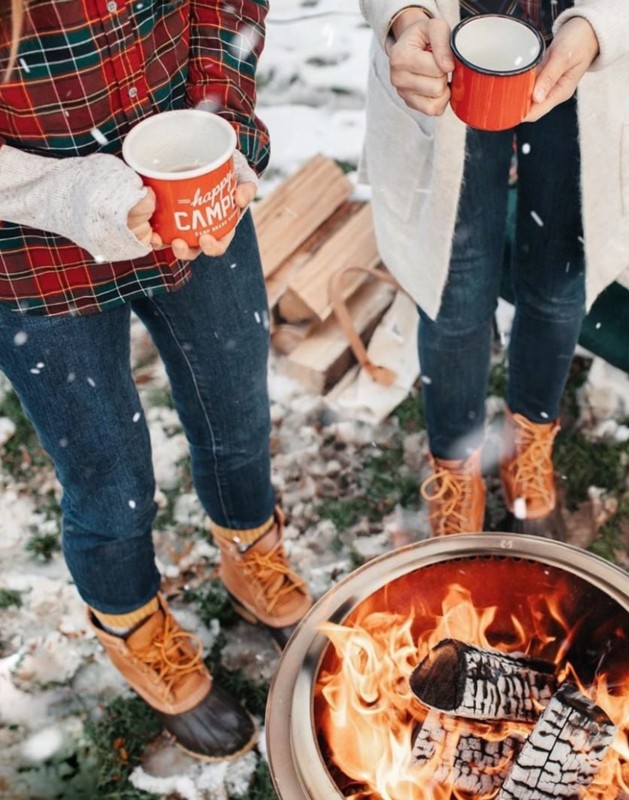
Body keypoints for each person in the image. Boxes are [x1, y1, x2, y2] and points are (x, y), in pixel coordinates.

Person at [0, 0, 311, 761]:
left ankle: (251, 558)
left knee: (237, 413)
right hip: (31, 256)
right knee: (109, 477)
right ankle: (132, 625)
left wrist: (220, 118)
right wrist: (71, 196)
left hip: (192, 197)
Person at [359, 0, 629, 537]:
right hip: (450, 51)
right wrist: (403, 14)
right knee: (453, 287)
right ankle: (455, 466)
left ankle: (530, 438)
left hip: (598, 56)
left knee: (559, 281)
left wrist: (600, 27)